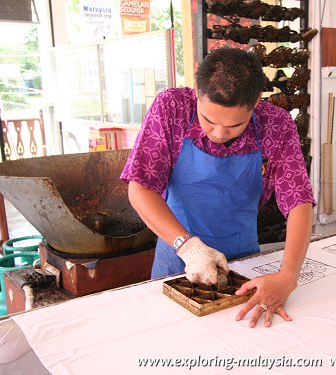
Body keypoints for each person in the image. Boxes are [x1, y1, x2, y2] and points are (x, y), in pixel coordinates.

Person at [121, 47, 315, 328]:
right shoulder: (172, 108)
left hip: (244, 261)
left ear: (257, 101)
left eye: (236, 125)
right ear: (198, 90)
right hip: (177, 258)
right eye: (209, 120)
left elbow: (298, 201)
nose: (220, 134)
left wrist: (288, 275)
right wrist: (188, 247)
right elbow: (140, 188)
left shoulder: (276, 124)